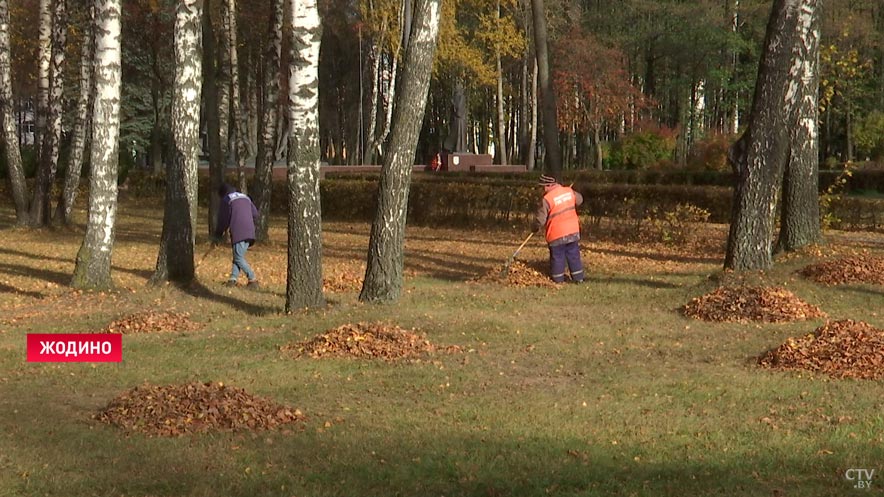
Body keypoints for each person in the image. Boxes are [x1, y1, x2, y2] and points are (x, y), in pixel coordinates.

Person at [532, 174, 585, 283]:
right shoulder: (568, 191)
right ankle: (578, 278)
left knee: (557, 257)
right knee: (574, 255)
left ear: (549, 185)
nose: (542, 189)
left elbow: (541, 219)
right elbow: (580, 200)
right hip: (572, 231)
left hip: (556, 234)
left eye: (543, 187)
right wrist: (571, 193)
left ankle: (558, 279)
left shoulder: (547, 199)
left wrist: (535, 227)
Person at [214, 183, 260, 288]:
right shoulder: (245, 197)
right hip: (250, 231)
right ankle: (232, 279)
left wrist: (218, 234)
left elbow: (223, 219)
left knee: (238, 257)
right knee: (238, 255)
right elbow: (255, 214)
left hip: (239, 231)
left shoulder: (227, 199)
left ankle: (253, 279)